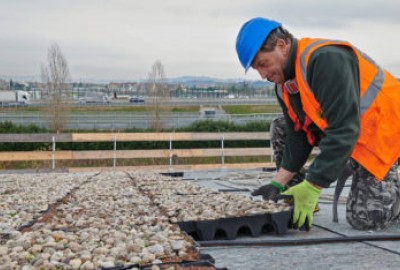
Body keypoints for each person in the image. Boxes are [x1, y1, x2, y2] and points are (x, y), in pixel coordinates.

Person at [235, 17, 400, 230]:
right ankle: (295, 195)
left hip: (385, 133)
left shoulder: (325, 59)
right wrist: (279, 182)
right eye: (257, 69)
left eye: (263, 64)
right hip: (352, 133)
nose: (263, 74)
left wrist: (314, 185)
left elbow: (343, 130)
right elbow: (297, 134)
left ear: (282, 46)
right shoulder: (284, 82)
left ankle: (392, 190)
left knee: (366, 220)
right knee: (281, 126)